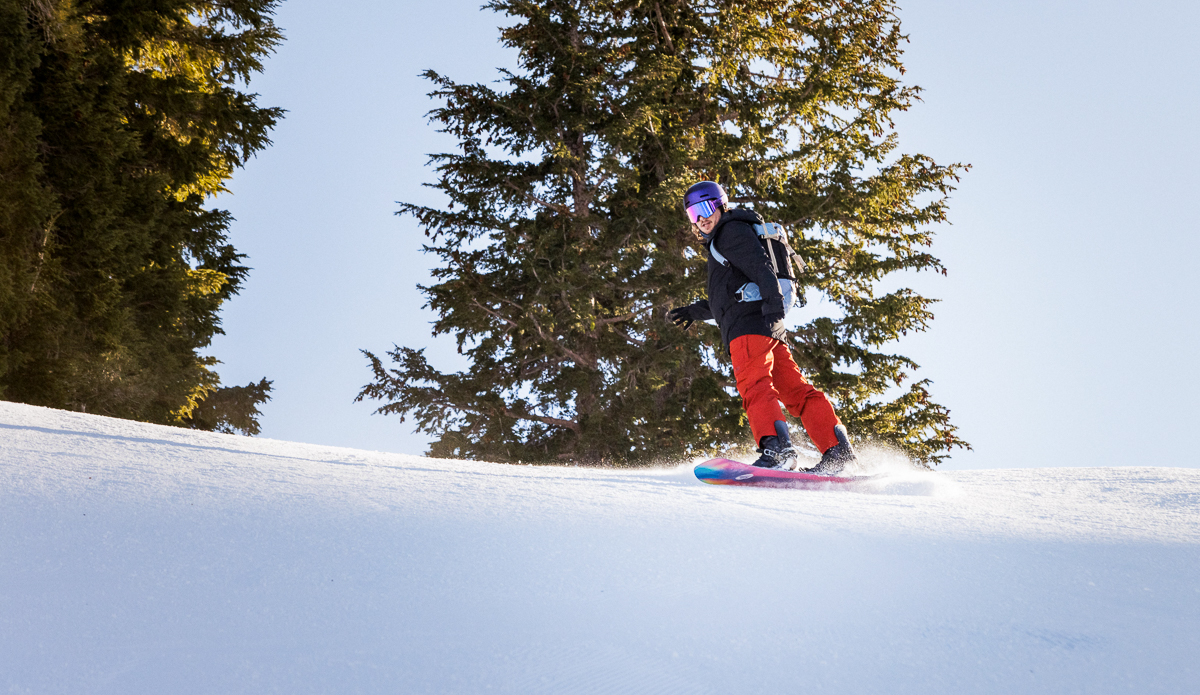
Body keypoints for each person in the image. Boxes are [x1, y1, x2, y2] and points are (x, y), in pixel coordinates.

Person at [667, 181, 858, 474]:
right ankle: (837, 452)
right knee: (795, 390)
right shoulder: (727, 237)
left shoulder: (729, 232)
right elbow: (729, 297)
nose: (701, 218)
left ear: (720, 205)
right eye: (694, 214)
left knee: (754, 384)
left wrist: (772, 308)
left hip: (750, 326)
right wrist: (695, 311)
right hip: (765, 324)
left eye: (706, 208)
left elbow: (762, 270)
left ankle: (778, 451)